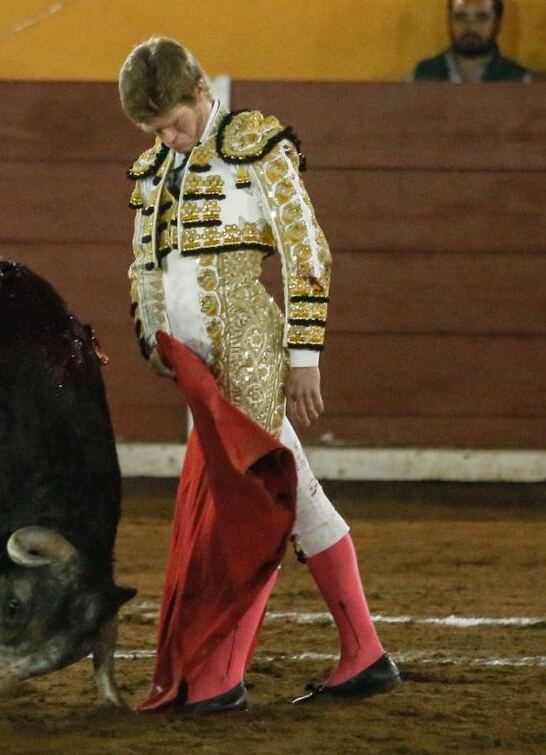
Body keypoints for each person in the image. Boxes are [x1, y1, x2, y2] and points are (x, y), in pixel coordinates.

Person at [118, 37, 400, 715]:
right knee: (287, 493)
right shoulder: (155, 168)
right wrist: (155, 344)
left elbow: (309, 252)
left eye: (175, 122)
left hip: (248, 350)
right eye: (154, 128)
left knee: (254, 503)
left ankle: (223, 676)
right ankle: (363, 653)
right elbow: (145, 269)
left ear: (203, 95)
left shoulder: (253, 144)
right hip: (201, 376)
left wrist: (304, 359)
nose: (167, 137)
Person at [412, 0, 530, 82]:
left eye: (481, 18)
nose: (471, 27)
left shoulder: (516, 79)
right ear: (449, 21)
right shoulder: (423, 75)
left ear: (497, 23)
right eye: (461, 17)